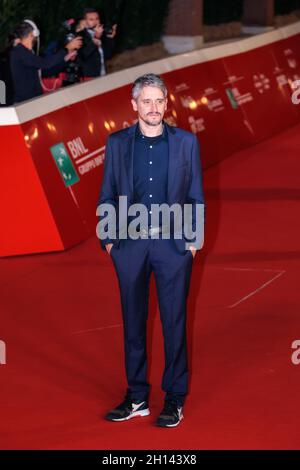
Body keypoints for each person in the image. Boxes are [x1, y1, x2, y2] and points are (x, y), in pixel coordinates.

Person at [97, 73, 205, 427]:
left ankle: (174, 398)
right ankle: (137, 396)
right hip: (129, 246)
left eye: (159, 100)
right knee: (133, 324)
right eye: (147, 101)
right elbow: (107, 195)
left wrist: (191, 244)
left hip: (173, 246)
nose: (154, 108)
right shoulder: (117, 144)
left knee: (174, 323)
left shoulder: (186, 143)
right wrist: (110, 243)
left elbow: (195, 197)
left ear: (166, 102)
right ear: (134, 105)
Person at [10, 20, 82, 103]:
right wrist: (66, 49)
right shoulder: (20, 51)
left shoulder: (24, 52)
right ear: (32, 35)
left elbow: (45, 71)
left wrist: (65, 58)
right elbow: (45, 63)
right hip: (25, 101)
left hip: (31, 99)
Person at [77, 7, 117, 80]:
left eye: (97, 18)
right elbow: (82, 56)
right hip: (87, 78)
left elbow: (108, 55)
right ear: (85, 21)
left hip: (102, 74)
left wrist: (110, 37)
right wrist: (96, 38)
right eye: (91, 19)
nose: (95, 21)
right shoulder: (80, 35)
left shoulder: (102, 33)